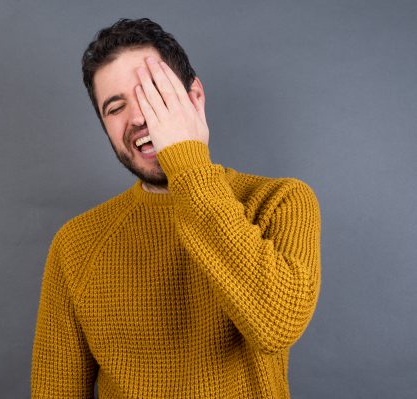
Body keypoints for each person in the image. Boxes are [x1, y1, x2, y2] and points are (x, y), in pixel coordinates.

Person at [31, 18, 321, 398]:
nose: (137, 118)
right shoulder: (76, 243)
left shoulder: (280, 201)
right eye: (115, 107)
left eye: (152, 93)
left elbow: (276, 324)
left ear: (194, 97)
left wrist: (187, 162)